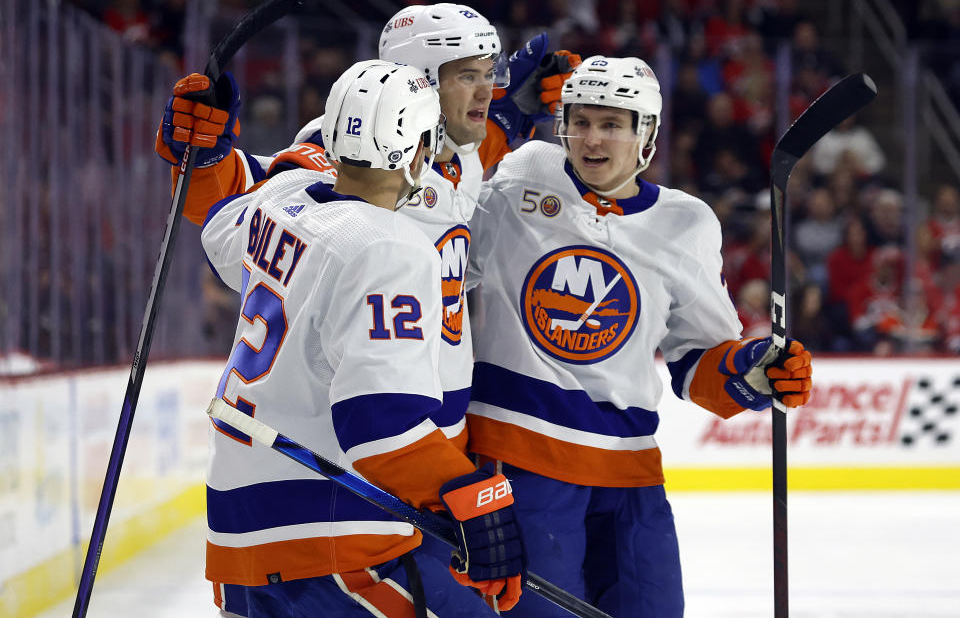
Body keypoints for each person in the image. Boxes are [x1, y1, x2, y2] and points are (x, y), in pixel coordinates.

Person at [464, 56, 814, 617]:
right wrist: (499, 121)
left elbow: (698, 359)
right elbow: (440, 219)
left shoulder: (686, 222)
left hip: (630, 469)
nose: (591, 138)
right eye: (579, 121)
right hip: (522, 457)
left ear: (644, 132)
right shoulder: (525, 171)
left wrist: (751, 369)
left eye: (611, 124)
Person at [200, 59, 525, 617]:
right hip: (327, 531)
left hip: (236, 529)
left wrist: (208, 154)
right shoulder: (389, 249)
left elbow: (217, 226)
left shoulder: (281, 198)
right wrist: (473, 497)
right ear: (418, 150)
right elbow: (377, 424)